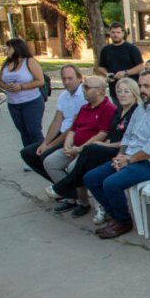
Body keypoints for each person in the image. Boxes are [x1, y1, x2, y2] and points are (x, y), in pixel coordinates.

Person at [84, 70, 150, 239]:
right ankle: (116, 216)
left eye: (147, 86)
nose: (142, 89)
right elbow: (127, 137)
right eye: (140, 85)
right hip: (130, 159)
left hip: (149, 165)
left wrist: (128, 160)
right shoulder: (141, 108)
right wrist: (120, 156)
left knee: (110, 184)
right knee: (91, 178)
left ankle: (124, 221)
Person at [47, 78, 139, 225]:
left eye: (126, 91)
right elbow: (111, 135)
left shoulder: (136, 113)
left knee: (90, 150)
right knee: (89, 171)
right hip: (111, 148)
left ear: (135, 94)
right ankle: (100, 206)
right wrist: (103, 144)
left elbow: (129, 142)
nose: (122, 94)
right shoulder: (119, 110)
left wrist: (103, 145)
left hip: (124, 152)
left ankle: (67, 186)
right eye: (119, 91)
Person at [40, 75, 115, 216]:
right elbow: (73, 129)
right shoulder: (84, 108)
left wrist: (79, 149)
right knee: (50, 162)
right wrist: (68, 144)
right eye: (83, 87)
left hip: (89, 150)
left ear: (99, 91)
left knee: (74, 167)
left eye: (86, 87)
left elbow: (102, 134)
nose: (83, 90)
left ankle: (83, 202)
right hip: (74, 146)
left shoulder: (108, 108)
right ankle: (72, 197)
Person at [20, 65, 85, 180]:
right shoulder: (63, 95)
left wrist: (50, 146)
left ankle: (64, 188)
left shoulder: (83, 96)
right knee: (28, 153)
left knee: (45, 156)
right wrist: (45, 143)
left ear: (80, 78)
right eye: (63, 78)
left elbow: (73, 127)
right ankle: (60, 184)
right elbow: (56, 121)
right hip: (62, 133)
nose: (66, 82)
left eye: (70, 78)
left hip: (73, 135)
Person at [0, 38, 47, 150]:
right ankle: (29, 154)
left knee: (33, 130)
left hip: (31, 102)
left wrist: (21, 87)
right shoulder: (6, 63)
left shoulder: (29, 61)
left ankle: (43, 154)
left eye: (9, 47)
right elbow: (0, 81)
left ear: (17, 48)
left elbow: (40, 81)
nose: (7, 50)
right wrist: (6, 87)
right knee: (23, 131)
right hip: (13, 104)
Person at [96, 22, 144, 100]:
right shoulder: (105, 50)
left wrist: (126, 73)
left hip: (131, 90)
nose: (116, 35)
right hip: (114, 90)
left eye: (118, 32)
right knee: (118, 111)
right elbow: (101, 67)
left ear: (123, 33)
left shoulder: (132, 49)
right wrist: (107, 74)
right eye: (113, 32)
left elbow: (141, 66)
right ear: (110, 34)